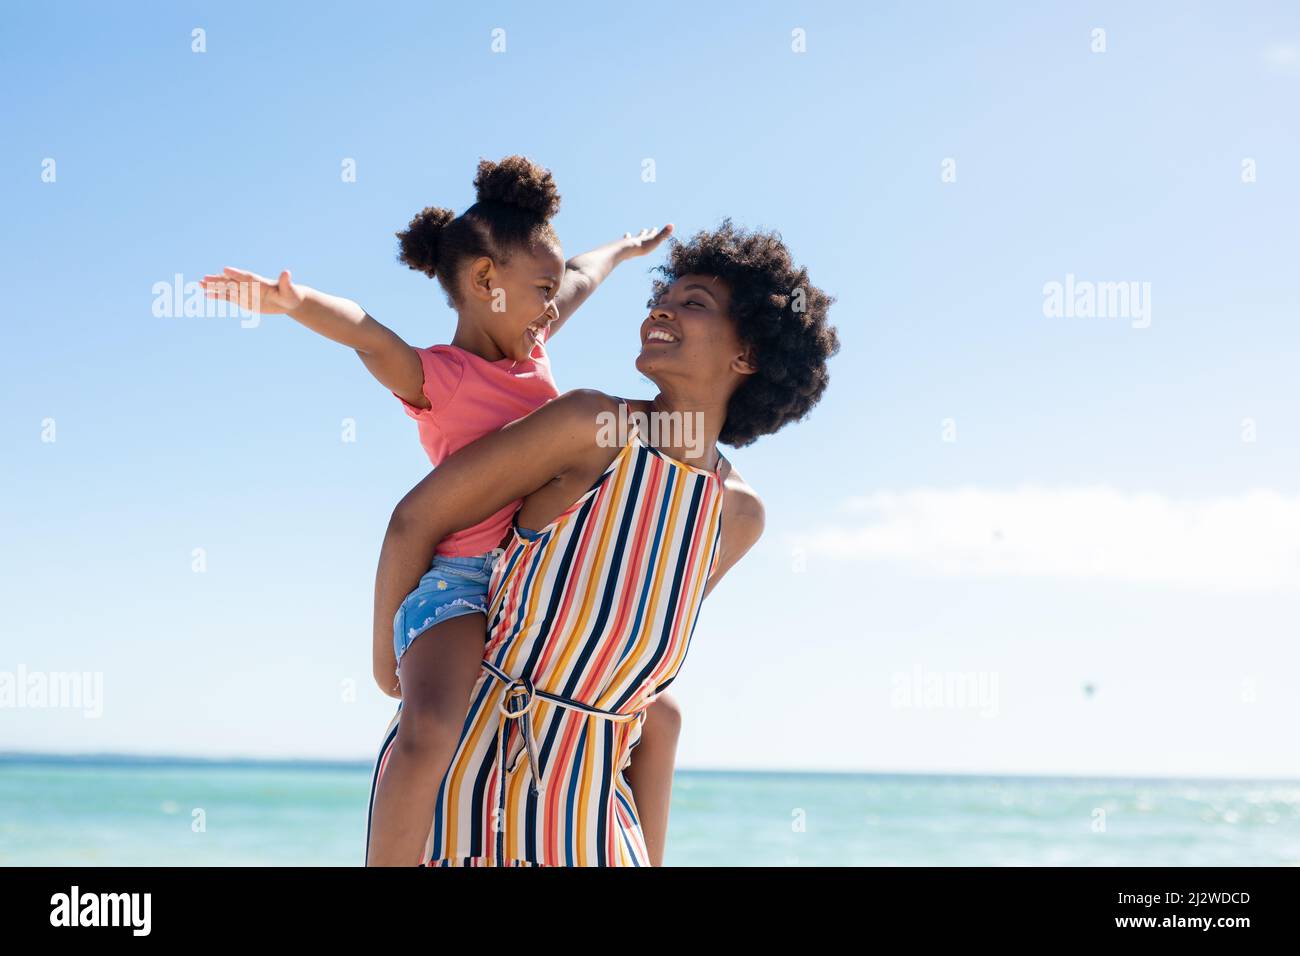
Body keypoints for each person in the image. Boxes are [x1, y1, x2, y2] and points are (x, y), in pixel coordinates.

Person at [199, 155, 677, 867]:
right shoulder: (439, 377)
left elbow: (581, 272)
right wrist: (295, 304)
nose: (552, 305)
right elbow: (368, 332)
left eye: (552, 293)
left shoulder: (535, 346)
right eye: (539, 289)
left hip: (539, 578)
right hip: (459, 587)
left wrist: (627, 249)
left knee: (655, 711)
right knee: (429, 728)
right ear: (485, 282)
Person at [366, 220, 840, 865]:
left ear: (748, 355)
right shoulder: (591, 425)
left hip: (592, 810)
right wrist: (389, 665)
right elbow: (415, 520)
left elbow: (635, 670)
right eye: (661, 296)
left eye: (692, 301)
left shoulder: (738, 515)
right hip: (471, 775)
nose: (661, 308)